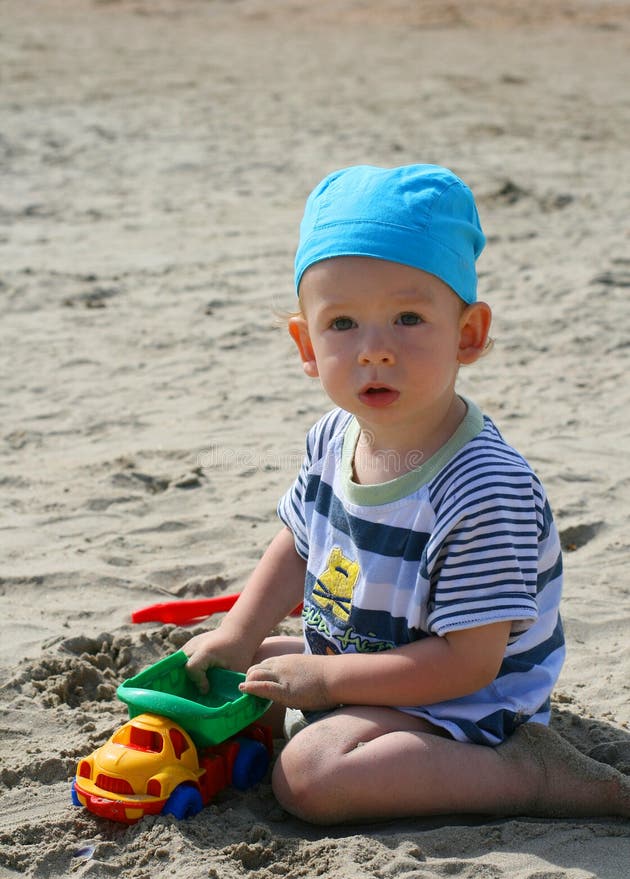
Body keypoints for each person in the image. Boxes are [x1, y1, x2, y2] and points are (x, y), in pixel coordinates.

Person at [183, 164, 630, 824]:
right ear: (306, 345)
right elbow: (300, 541)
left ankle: (529, 773)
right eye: (342, 325)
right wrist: (238, 630)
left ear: (468, 335)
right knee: (239, 661)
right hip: (369, 656)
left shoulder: (481, 488)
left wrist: (329, 681)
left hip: (463, 701)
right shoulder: (333, 437)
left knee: (310, 775)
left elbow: (468, 665)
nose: (375, 351)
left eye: (408, 317)